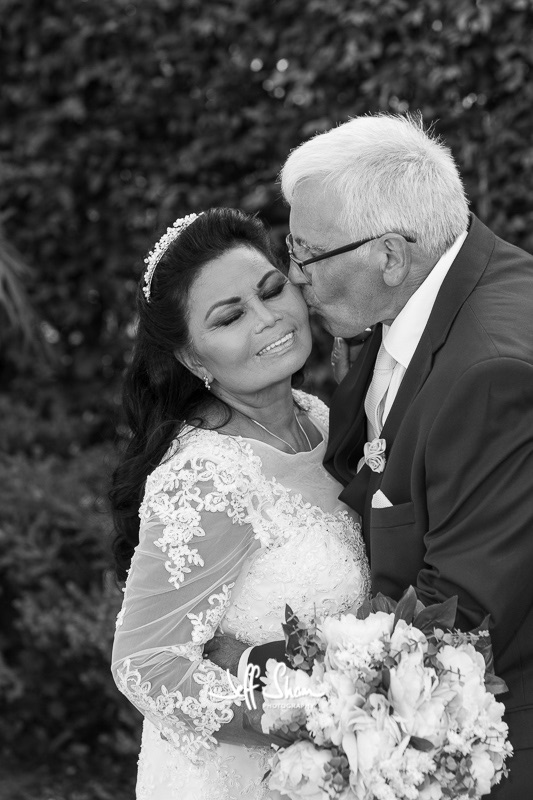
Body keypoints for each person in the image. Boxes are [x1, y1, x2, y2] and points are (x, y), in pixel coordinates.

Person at [207, 114, 533, 798]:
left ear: (388, 256)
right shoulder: (422, 297)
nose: (295, 279)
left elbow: (451, 624)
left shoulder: (490, 374)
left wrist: (251, 664)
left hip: (488, 748)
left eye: (308, 255)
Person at [110, 207, 370, 800]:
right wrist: (310, 718)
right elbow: (146, 664)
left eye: (272, 289)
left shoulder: (322, 420)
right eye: (230, 317)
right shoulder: (207, 474)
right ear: (193, 359)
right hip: (253, 776)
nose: (268, 318)